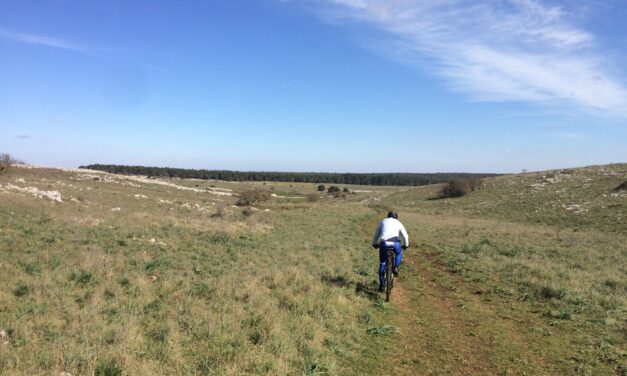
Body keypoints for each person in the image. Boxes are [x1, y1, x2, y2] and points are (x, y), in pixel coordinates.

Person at [371, 211, 409, 292]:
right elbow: (405, 235)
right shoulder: (398, 223)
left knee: (382, 263)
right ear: (396, 217)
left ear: (388, 216)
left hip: (384, 243)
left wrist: (374, 243)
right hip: (396, 243)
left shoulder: (383, 221)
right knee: (398, 253)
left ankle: (381, 285)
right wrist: (406, 245)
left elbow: (376, 234)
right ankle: (395, 267)